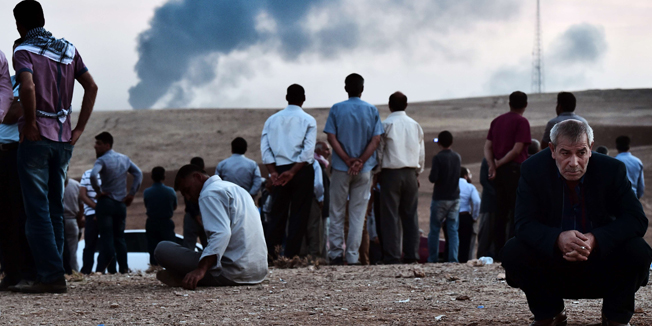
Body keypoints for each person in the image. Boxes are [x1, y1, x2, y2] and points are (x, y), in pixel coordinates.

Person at [501, 120, 652, 326]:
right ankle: (550, 313)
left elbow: (637, 220)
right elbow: (523, 224)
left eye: (581, 153)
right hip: (553, 264)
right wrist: (557, 238)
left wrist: (595, 239)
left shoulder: (612, 170)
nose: (574, 162)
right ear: (552, 150)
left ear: (590, 149)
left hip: (601, 263)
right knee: (513, 251)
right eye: (565, 153)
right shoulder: (533, 170)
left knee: (639, 251)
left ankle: (615, 317)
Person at [12, 0, 97, 293]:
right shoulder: (69, 49)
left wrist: (32, 121)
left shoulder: (23, 51)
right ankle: (57, 271)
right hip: (63, 140)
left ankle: (49, 276)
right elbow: (92, 87)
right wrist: (80, 128)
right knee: (55, 209)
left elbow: (28, 86)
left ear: (19, 25)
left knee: (37, 211)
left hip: (36, 140)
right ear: (43, 19)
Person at [154, 164, 268, 289]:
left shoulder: (209, 193)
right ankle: (185, 276)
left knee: (161, 249)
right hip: (258, 271)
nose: (188, 197)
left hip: (233, 272)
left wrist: (201, 269)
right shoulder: (238, 189)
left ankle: (186, 277)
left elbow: (221, 233)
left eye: (187, 190)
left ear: (197, 177)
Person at [324, 73, 383, 265]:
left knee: (337, 211)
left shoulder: (337, 108)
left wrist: (347, 159)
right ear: (362, 88)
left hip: (342, 168)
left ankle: (334, 254)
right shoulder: (372, 110)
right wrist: (361, 161)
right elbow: (376, 140)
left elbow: (331, 137)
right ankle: (352, 255)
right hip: (364, 170)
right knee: (358, 214)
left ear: (345, 88)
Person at [261, 84, 316, 259]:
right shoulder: (308, 120)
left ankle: (272, 254)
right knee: (299, 214)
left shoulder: (272, 120)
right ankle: (292, 255)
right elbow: (307, 152)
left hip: (278, 169)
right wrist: (292, 172)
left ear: (286, 98)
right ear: (304, 99)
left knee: (277, 214)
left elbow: (265, 148)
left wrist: (273, 172)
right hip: (301, 170)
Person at [375, 91, 425, 264]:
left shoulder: (386, 125)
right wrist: (417, 173)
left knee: (390, 217)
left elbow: (380, 152)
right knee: (410, 216)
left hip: (391, 173)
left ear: (390, 105)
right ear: (406, 105)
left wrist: (377, 172)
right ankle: (412, 255)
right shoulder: (415, 125)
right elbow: (421, 153)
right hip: (411, 173)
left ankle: (392, 255)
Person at [0, 71, 37, 290]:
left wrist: (9, 104)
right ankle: (11, 273)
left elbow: (14, 114)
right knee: (3, 218)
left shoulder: (25, 83)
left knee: (20, 214)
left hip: (15, 152)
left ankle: (28, 271)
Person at [484, 91, 531, 257]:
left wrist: (492, 165)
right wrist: (500, 162)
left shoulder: (497, 121)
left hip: (500, 173)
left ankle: (498, 251)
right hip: (514, 170)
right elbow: (518, 149)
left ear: (509, 103)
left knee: (500, 212)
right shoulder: (522, 122)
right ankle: (513, 250)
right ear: (525, 105)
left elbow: (488, 147)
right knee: (516, 212)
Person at [90, 132, 142, 274]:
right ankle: (124, 268)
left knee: (107, 237)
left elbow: (93, 175)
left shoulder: (102, 160)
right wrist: (131, 194)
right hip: (120, 204)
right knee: (120, 237)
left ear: (107, 145)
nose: (95, 146)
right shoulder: (124, 159)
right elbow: (138, 174)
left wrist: (99, 191)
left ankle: (108, 269)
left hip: (106, 202)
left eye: (98, 143)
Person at [428, 131, 461, 263]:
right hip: (454, 198)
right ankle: (453, 259)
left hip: (440, 198)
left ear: (439, 143)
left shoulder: (438, 158)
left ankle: (433, 259)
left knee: (435, 229)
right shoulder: (457, 157)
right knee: (453, 230)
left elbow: (433, 178)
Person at [79, 167, 116, 274]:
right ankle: (103, 270)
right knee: (107, 243)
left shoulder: (87, 173)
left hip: (91, 214)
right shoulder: (111, 173)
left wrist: (95, 207)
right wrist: (101, 209)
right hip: (106, 214)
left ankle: (86, 270)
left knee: (89, 245)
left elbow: (82, 195)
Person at [143, 167, 177, 271]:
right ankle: (170, 267)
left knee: (152, 246)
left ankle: (154, 266)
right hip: (166, 222)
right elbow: (174, 206)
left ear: (152, 177)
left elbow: (146, 204)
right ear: (164, 176)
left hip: (152, 222)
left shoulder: (147, 192)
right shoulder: (170, 191)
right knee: (169, 246)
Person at [182, 157, 207, 249]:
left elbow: (188, 200)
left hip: (191, 217)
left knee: (188, 248)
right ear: (203, 167)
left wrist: (196, 215)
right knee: (209, 248)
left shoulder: (186, 181)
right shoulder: (208, 181)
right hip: (206, 216)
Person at [457, 167, 481, 263]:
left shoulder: (451, 185)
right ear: (465, 176)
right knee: (465, 244)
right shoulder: (470, 187)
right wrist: (474, 217)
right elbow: (476, 201)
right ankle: (463, 262)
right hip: (465, 216)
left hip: (452, 217)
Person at [62, 174, 83, 273]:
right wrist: (78, 222)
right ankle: (73, 271)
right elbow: (81, 207)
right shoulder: (76, 185)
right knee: (72, 251)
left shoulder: (51, 183)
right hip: (72, 220)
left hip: (57, 220)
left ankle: (60, 272)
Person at [476, 158, 497, 259]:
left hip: (498, 205)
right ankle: (482, 257)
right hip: (488, 204)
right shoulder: (487, 160)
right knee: (485, 233)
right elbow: (483, 180)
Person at [304, 158, 324, 258]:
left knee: (296, 225)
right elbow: (318, 184)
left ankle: (299, 254)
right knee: (313, 227)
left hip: (293, 198)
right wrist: (320, 198)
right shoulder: (313, 162)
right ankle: (313, 256)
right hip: (311, 197)